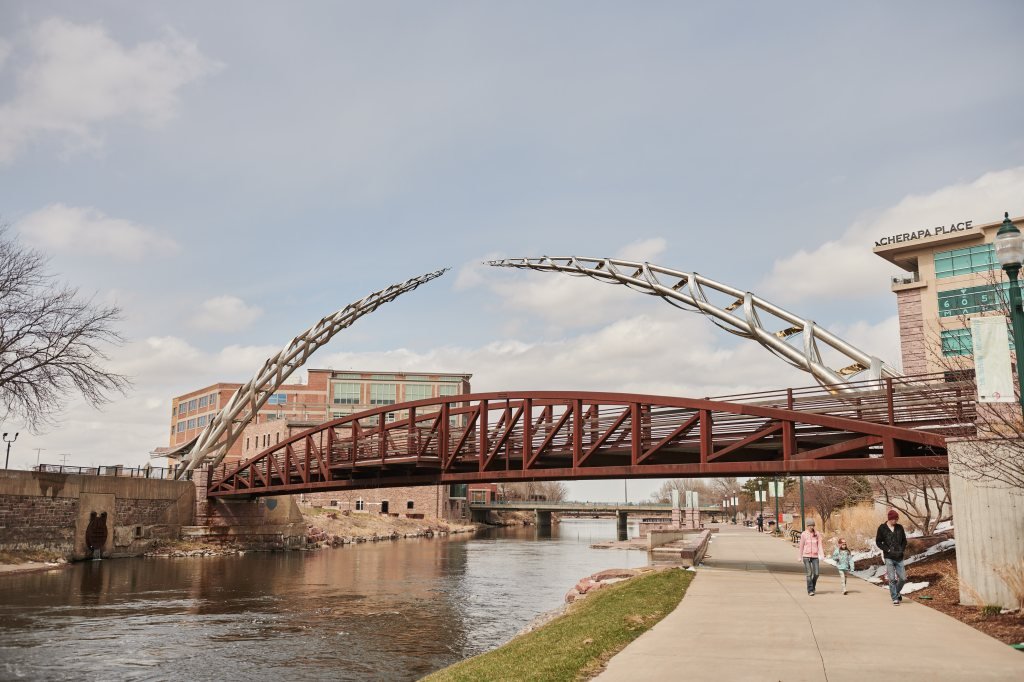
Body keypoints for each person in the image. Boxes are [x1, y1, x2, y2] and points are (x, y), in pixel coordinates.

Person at [875, 509, 908, 605]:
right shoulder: (882, 528)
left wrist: (901, 549)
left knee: (903, 578)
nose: (896, 521)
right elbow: (878, 542)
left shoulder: (899, 527)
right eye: (894, 519)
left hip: (899, 556)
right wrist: (887, 549)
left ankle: (896, 592)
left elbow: (904, 540)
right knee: (892, 578)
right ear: (889, 519)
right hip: (889, 557)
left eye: (897, 519)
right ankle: (895, 598)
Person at [798, 519, 825, 596]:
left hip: (815, 556)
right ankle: (810, 590)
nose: (811, 527)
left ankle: (812, 586)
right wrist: (799, 556)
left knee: (816, 573)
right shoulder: (804, 534)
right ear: (807, 526)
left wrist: (822, 555)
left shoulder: (817, 534)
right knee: (809, 574)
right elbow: (801, 546)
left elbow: (820, 545)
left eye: (812, 525)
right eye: (810, 526)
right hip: (806, 556)